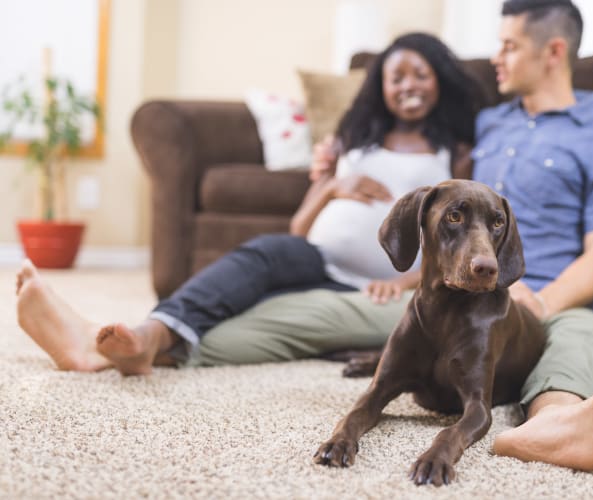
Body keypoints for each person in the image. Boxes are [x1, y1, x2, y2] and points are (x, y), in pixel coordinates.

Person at [170, 0, 593, 472]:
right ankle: (173, 342)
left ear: (553, 51)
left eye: (509, 46)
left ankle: (555, 424)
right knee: (301, 312)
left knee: (589, 334)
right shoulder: (486, 124)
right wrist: (329, 153)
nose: (496, 57)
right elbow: (408, 139)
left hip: (548, 304)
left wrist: (537, 300)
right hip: (439, 295)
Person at [15, 32, 483, 374]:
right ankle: (144, 337)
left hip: (375, 287)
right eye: (395, 77)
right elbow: (300, 228)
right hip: (313, 258)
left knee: (249, 317)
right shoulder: (351, 142)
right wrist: (330, 188)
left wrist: (402, 283)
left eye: (420, 75)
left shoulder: (456, 153)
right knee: (259, 255)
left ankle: (100, 351)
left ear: (439, 81)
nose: (408, 86)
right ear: (379, 86)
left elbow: (460, 239)